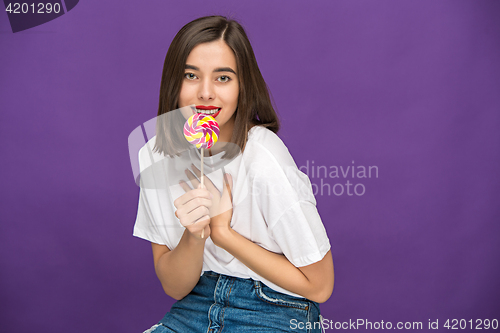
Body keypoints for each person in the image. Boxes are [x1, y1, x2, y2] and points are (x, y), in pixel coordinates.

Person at [133, 15, 334, 333]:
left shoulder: (263, 155)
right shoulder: (154, 156)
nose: (206, 93)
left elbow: (320, 285)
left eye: (223, 78)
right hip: (196, 304)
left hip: (276, 307)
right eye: (191, 75)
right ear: (174, 81)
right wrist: (195, 236)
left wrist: (224, 233)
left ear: (243, 86)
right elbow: (174, 287)